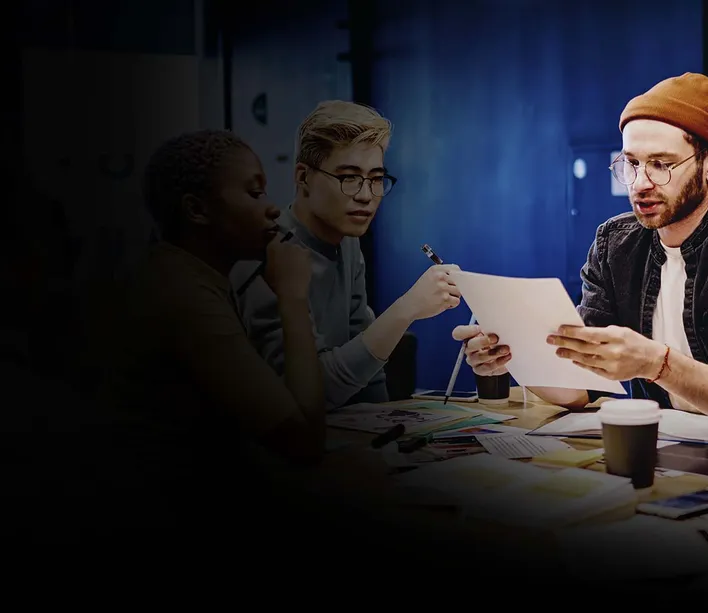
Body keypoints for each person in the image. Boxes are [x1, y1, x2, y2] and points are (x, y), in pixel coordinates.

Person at [453, 73, 708, 434]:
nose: (640, 184)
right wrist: (515, 356)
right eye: (631, 163)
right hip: (671, 447)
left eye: (661, 165)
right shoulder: (615, 243)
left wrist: (656, 363)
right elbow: (584, 386)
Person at [94, 129, 328, 536]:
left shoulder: (179, 272)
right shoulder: (183, 294)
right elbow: (303, 443)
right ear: (197, 210)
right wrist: (292, 298)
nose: (272, 209)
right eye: (254, 194)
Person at [231, 101, 460, 410]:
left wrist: (389, 430)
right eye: (348, 178)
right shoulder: (266, 254)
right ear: (303, 177)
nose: (365, 195)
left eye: (376, 179)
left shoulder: (347, 242)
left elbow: (369, 373)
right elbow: (310, 395)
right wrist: (407, 308)